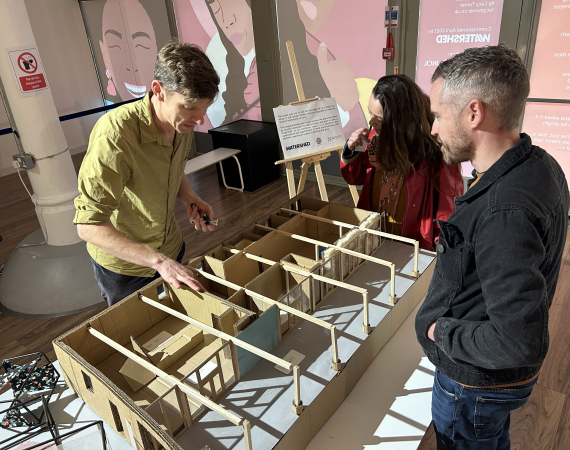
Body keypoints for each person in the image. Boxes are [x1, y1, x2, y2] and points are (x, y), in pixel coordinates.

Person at [415, 45, 569, 449]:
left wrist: (440, 331)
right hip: (490, 383)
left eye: (437, 115)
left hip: (474, 384)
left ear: (473, 112)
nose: (433, 129)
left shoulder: (505, 212)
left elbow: (518, 340)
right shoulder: (541, 164)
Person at [74, 41, 220, 307]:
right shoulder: (115, 134)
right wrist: (159, 261)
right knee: (135, 336)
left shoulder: (181, 125)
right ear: (158, 90)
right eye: (189, 107)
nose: (200, 120)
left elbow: (170, 169)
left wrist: (189, 198)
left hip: (171, 248)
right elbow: (88, 225)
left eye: (205, 108)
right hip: (125, 268)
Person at [340, 74, 464, 251]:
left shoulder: (437, 151)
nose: (371, 122)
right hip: (374, 233)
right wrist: (351, 150)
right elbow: (356, 177)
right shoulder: (376, 137)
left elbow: (447, 209)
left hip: (412, 243)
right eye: (370, 112)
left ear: (401, 120)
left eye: (380, 119)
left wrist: (441, 249)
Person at [100, 0, 158, 101]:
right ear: (104, 53)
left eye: (142, 45)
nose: (131, 67)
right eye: (115, 45)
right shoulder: (111, 114)